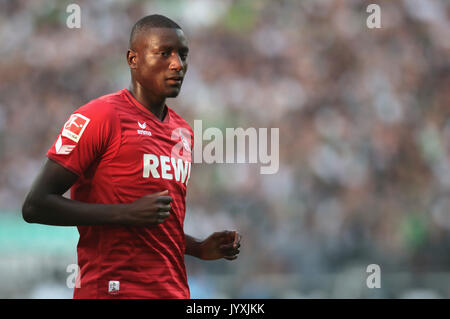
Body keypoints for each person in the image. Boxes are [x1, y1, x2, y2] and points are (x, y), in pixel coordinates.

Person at [22, 14, 241, 299]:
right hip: (111, 291)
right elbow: (35, 206)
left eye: (182, 55)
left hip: (172, 292)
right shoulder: (99, 116)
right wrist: (125, 211)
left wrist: (197, 247)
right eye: (164, 53)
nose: (177, 64)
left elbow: (151, 225)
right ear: (133, 59)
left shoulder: (183, 132)